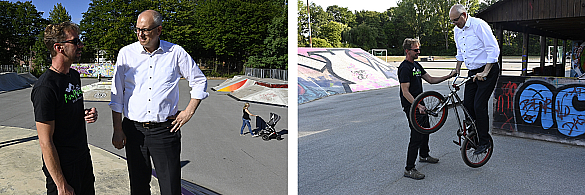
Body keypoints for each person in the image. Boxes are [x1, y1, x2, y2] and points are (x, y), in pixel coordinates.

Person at [109, 10, 208, 194]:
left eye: (145, 30)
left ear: (159, 30)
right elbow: (117, 97)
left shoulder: (175, 53)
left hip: (165, 131)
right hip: (133, 130)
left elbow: (199, 80)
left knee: (170, 188)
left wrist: (188, 112)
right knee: (138, 187)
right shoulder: (126, 54)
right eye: (137, 29)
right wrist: (117, 129)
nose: (140, 34)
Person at [31, 21, 98, 194]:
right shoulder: (45, 88)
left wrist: (85, 114)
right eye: (75, 42)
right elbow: (46, 142)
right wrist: (61, 185)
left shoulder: (74, 76)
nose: (81, 45)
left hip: (83, 157)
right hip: (63, 167)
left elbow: (66, 111)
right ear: (59, 48)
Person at [398, 38, 455, 180]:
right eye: (415, 50)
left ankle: (424, 155)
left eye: (419, 49)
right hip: (411, 105)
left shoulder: (417, 66)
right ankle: (409, 168)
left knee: (426, 130)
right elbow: (405, 91)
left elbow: (430, 80)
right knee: (416, 135)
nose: (419, 52)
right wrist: (417, 105)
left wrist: (449, 75)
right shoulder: (404, 68)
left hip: (421, 104)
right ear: (407, 51)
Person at [450, 4, 500, 155]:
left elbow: (493, 49)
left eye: (456, 20)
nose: (454, 24)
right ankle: (474, 136)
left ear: (464, 15)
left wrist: (485, 72)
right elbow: (460, 51)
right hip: (473, 71)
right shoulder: (456, 30)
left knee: (479, 105)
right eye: (451, 21)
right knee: (467, 104)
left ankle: (484, 141)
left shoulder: (479, 25)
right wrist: (457, 69)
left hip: (488, 69)